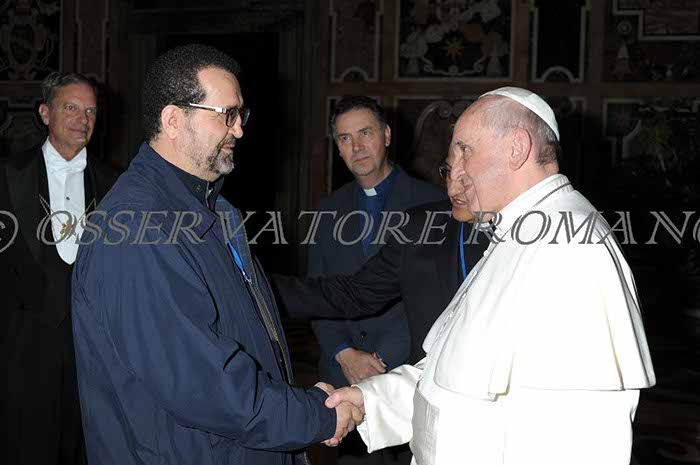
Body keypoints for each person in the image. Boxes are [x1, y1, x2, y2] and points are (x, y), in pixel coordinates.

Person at [326, 87, 656, 465]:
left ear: (517, 148)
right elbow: (451, 379)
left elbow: (580, 438)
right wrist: (369, 399)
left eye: (465, 150)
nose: (455, 172)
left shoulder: (570, 246)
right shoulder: (517, 233)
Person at [70, 44, 359, 465]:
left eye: (241, 114)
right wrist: (314, 416)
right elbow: (203, 386)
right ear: (173, 120)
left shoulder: (215, 210)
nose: (238, 130)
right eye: (226, 114)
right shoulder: (135, 228)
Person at [0, 72, 119, 465]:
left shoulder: (116, 186)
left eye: (91, 111)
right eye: (71, 107)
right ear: (44, 113)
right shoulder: (6, 175)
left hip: (92, 357)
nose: (82, 119)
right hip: (20, 354)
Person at [273, 151, 489, 367]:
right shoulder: (420, 224)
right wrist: (264, 287)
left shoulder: (508, 239)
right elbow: (354, 292)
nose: (452, 189)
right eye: (448, 172)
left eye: (465, 176)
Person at [309, 96, 445, 390]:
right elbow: (319, 294)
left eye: (365, 133)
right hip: (341, 375)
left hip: (406, 373)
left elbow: (437, 301)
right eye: (345, 138)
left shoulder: (434, 204)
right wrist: (344, 353)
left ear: (386, 136)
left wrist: (381, 359)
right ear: (338, 148)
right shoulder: (327, 209)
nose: (356, 147)